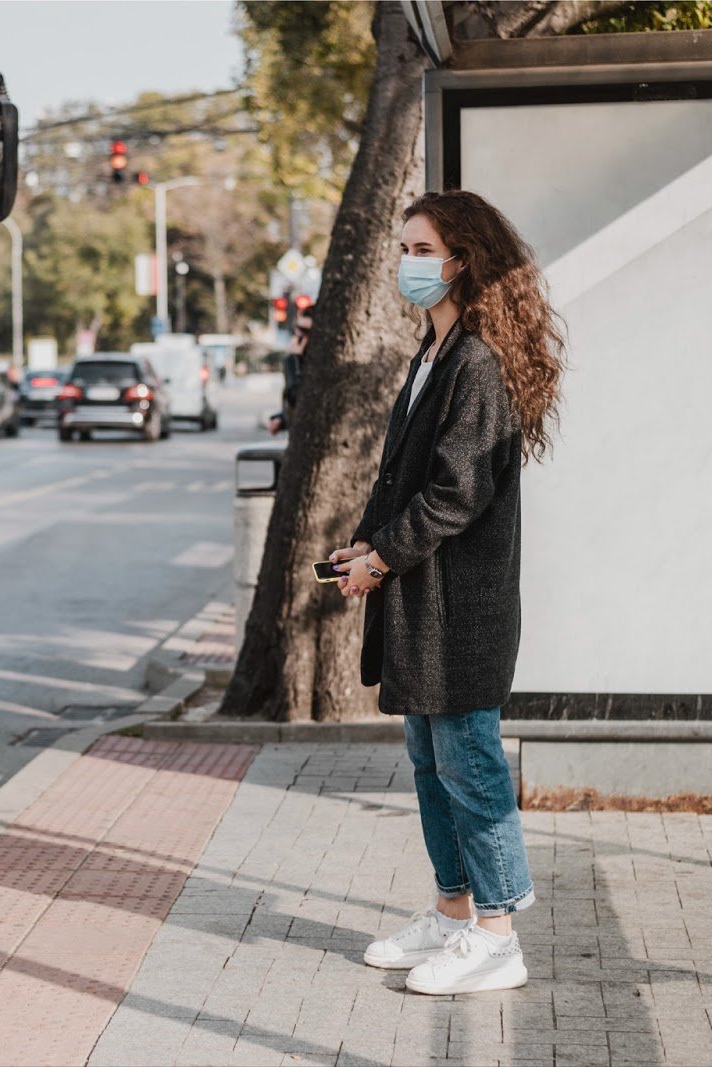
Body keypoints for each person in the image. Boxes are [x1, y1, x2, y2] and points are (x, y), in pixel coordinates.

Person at [331, 190, 564, 996]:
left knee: (471, 762)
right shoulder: (431, 354)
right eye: (405, 247)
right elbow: (402, 476)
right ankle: (452, 910)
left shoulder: (478, 362)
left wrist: (382, 560)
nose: (408, 263)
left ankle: (498, 934)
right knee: (432, 761)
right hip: (421, 601)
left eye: (422, 248)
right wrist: (365, 540)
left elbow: (456, 493)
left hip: (461, 607)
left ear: (462, 259)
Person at [268, 304, 312, 435]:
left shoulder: (301, 361)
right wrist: (281, 418)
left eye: (305, 331)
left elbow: (298, 397)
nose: (298, 335)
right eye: (297, 328)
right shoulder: (297, 358)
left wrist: (294, 361)